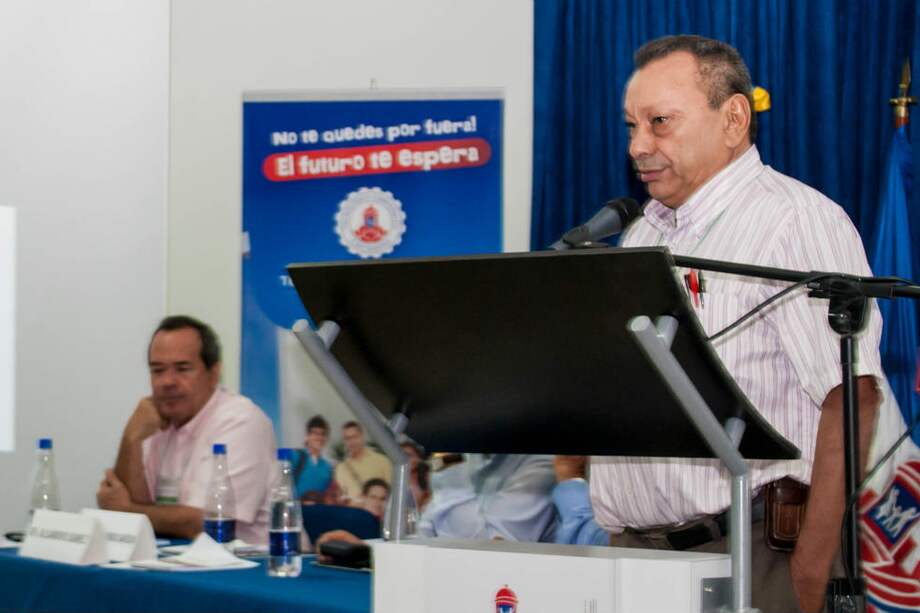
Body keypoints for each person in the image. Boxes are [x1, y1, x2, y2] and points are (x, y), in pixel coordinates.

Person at [589, 34, 891, 613]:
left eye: (659, 122)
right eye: (631, 126)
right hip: (637, 558)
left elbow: (852, 397)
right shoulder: (644, 231)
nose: (638, 146)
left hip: (754, 556)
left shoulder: (792, 220)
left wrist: (810, 571)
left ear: (733, 119)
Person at [96, 315, 276, 544]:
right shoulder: (155, 420)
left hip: (260, 562)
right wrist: (131, 437)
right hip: (179, 558)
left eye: (182, 369)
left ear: (214, 374)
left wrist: (128, 512)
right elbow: (126, 514)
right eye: (157, 370)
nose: (167, 382)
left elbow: (204, 522)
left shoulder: (241, 420)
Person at [417, 454, 558, 542]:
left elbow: (493, 547)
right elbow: (424, 532)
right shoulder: (470, 456)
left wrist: (449, 460)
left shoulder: (543, 461)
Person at [333, 421, 392, 503]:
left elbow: (391, 493)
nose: (352, 441)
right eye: (347, 438)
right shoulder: (341, 468)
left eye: (355, 437)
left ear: (362, 436)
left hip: (377, 510)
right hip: (354, 510)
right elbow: (341, 499)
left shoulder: (382, 461)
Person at [294, 415, 336, 502]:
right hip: (297, 509)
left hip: (319, 509)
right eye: (315, 433)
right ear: (307, 436)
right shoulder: (296, 456)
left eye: (323, 434)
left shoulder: (328, 467)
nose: (319, 437)